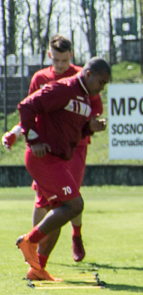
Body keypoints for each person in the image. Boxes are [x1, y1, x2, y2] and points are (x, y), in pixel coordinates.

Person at [4, 35, 102, 265]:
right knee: (52, 201)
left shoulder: (84, 80)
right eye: (56, 60)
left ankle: (66, 242)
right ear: (49, 56)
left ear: (72, 57)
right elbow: (29, 109)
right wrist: (21, 134)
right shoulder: (45, 80)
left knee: (68, 200)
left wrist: (92, 126)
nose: (60, 65)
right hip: (46, 150)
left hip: (74, 146)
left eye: (65, 60)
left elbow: (91, 114)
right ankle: (32, 247)